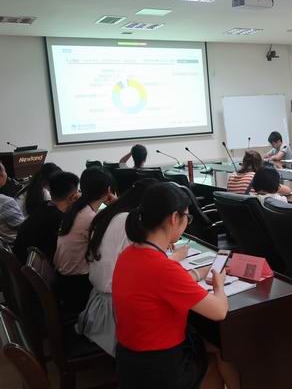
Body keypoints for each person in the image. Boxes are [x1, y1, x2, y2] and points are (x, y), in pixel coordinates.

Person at [112, 182, 238, 389]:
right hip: (160, 368)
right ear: (174, 218)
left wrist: (203, 271)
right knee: (220, 355)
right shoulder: (162, 268)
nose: (187, 223)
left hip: (129, 362)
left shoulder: (128, 254)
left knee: (211, 344)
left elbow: (161, 283)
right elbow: (219, 311)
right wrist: (219, 285)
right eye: (187, 217)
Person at [76, 178, 158, 356]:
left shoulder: (111, 213)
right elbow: (144, 264)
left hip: (100, 297)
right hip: (116, 306)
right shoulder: (128, 220)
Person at [54, 166, 116, 312]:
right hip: (78, 287)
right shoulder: (90, 217)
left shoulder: (78, 208)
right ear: (108, 190)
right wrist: (117, 205)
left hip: (65, 281)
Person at [13, 171, 80, 265]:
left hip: (21, 264)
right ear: (73, 197)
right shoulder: (58, 220)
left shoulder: (43, 206)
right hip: (35, 269)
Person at [226, 150, 291, 195]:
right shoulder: (256, 177)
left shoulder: (231, 176)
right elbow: (287, 191)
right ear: (260, 164)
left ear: (243, 163)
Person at [0, 162, 25, 246]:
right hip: (13, 246)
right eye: (5, 171)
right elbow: (23, 228)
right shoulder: (5, 202)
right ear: (1, 175)